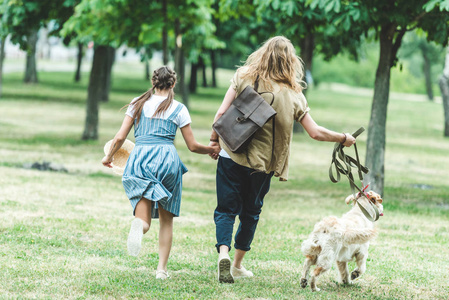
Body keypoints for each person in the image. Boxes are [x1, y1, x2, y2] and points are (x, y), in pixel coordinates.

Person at [208, 36, 356, 283]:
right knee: (250, 213)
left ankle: (223, 253)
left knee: (225, 209)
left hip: (231, 154)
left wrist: (214, 141)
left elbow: (221, 113)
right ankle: (236, 265)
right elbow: (315, 132)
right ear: (291, 61)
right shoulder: (294, 94)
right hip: (262, 165)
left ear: (263, 53)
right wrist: (343, 138)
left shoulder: (244, 76)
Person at [102, 66, 220, 280]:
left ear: (153, 82)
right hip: (167, 160)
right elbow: (192, 146)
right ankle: (161, 270)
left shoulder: (138, 103)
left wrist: (109, 157)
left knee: (144, 218)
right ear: (173, 84)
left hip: (141, 158)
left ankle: (140, 226)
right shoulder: (179, 108)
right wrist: (212, 149)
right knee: (167, 220)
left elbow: (120, 137)